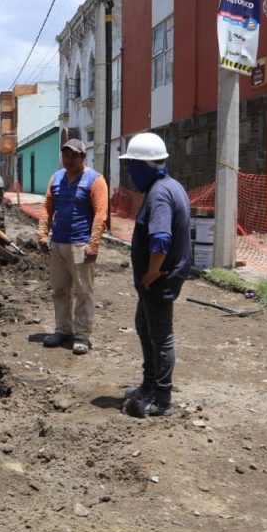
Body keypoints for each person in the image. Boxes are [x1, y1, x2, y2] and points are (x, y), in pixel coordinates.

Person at [119, 133, 192, 418]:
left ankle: (161, 398)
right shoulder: (170, 186)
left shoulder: (160, 194)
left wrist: (150, 273)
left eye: (132, 165)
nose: (129, 172)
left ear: (145, 165)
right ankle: (148, 385)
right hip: (158, 279)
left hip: (159, 279)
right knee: (144, 325)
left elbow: (160, 239)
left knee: (160, 337)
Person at [37, 138, 109, 355]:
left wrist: (93, 243)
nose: (69, 159)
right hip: (58, 243)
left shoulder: (95, 180)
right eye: (66, 154)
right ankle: (62, 329)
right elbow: (47, 208)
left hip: (80, 244)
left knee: (83, 291)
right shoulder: (56, 178)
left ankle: (82, 335)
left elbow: (100, 213)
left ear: (83, 157)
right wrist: (42, 233)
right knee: (60, 290)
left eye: (74, 155)